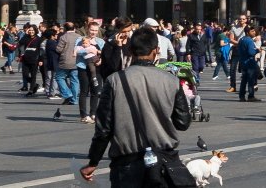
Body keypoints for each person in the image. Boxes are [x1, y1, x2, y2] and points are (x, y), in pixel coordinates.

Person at [78, 26, 191, 187]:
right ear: (156, 50)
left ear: (130, 50)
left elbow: (103, 129)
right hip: (164, 162)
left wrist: (93, 162)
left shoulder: (114, 81)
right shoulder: (171, 80)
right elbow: (183, 123)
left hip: (126, 164)